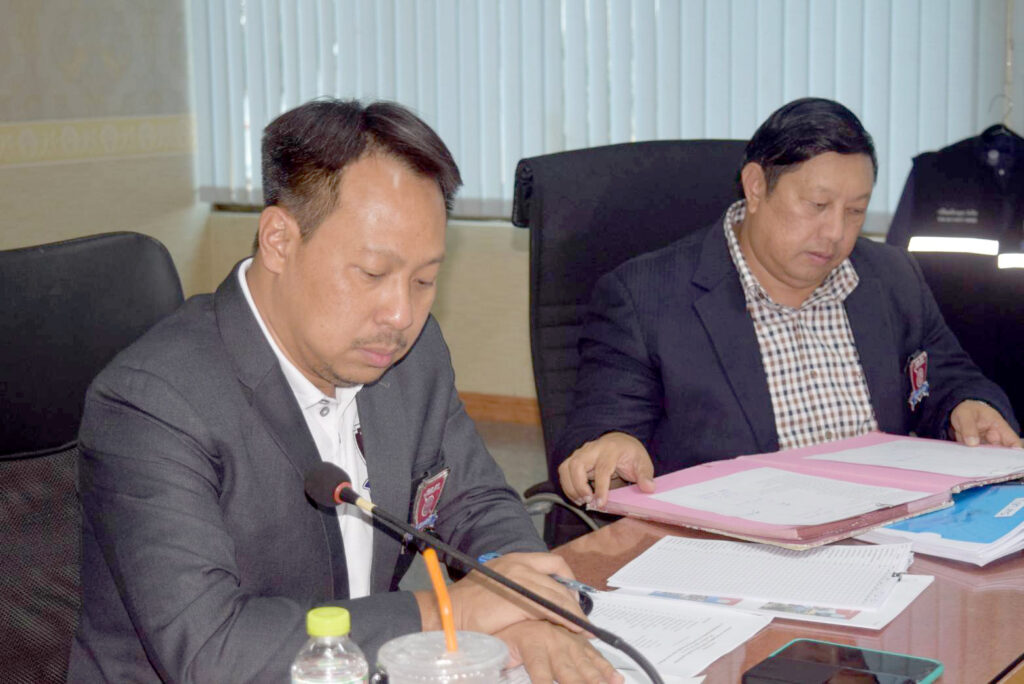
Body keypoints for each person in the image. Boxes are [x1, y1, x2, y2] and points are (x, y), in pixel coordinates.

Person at [68, 99, 619, 683]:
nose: (401, 314)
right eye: (373, 274)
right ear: (279, 239)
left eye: (424, 279)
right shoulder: (153, 402)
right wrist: (453, 613)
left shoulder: (408, 356)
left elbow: (475, 502)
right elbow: (211, 651)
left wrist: (522, 599)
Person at [557, 97, 1021, 509]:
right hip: (737, 544)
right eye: (817, 205)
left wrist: (968, 404)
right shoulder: (644, 297)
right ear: (756, 186)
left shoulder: (892, 276)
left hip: (889, 530)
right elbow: (604, 424)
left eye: (855, 211)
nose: (835, 233)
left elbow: (947, 376)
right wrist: (613, 445)